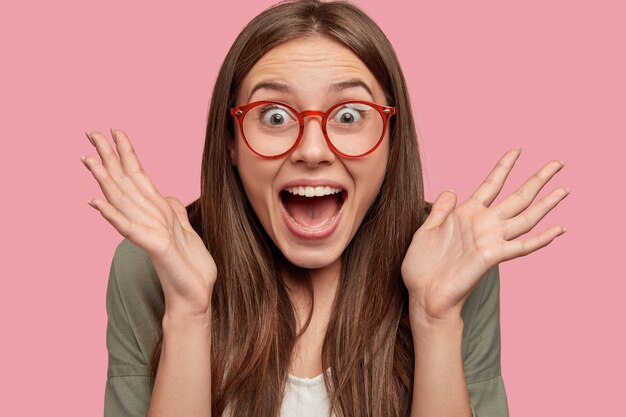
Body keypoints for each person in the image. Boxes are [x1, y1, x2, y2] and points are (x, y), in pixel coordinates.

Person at [81, 1, 568, 416]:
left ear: (391, 141)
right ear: (230, 141)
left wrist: (435, 320)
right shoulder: (150, 265)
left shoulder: (452, 259)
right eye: (274, 116)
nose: (312, 150)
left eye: (350, 116)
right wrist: (188, 312)